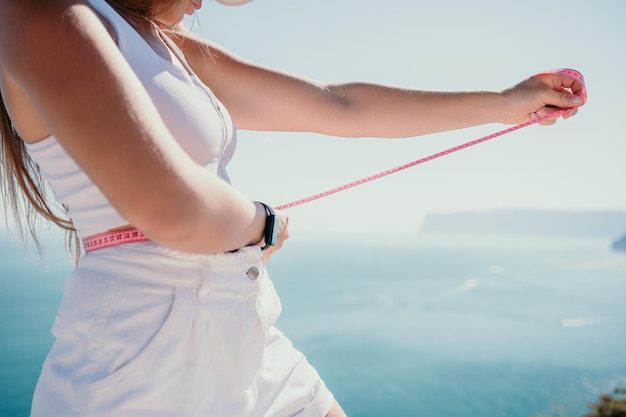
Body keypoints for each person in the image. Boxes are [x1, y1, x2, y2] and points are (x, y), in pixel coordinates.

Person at [0, 0, 586, 416]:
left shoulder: (163, 42)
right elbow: (173, 210)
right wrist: (263, 222)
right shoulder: (43, 12)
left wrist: (505, 104)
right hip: (142, 364)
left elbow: (342, 106)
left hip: (245, 330)